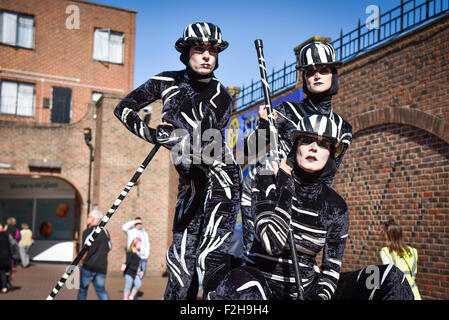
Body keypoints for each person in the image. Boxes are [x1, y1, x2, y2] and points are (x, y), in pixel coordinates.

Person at [114, 22, 241, 299]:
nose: (207, 56)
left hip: (220, 185)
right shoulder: (166, 82)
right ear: (187, 52)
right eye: (199, 49)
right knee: (180, 266)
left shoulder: (222, 97)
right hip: (189, 188)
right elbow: (123, 108)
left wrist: (176, 138)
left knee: (211, 260)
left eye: (213, 50)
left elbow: (207, 145)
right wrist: (151, 135)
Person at [210, 114, 349, 300]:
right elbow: (271, 244)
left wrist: (318, 298)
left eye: (323, 144)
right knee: (242, 285)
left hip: (303, 291)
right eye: (306, 140)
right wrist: (286, 187)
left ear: (330, 154)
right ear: (295, 147)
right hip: (257, 286)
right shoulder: (267, 179)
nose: (314, 147)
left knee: (387, 278)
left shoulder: (336, 206)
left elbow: (331, 270)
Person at [240, 41, 353, 257]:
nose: (317, 76)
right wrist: (264, 125)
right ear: (304, 78)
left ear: (333, 74)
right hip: (268, 192)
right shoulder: (286, 111)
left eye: (323, 70)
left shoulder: (343, 128)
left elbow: (328, 174)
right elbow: (250, 149)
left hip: (306, 196)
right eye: (310, 72)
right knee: (259, 258)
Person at [379, 218, 422, 300]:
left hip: (399, 294)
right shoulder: (413, 251)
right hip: (415, 294)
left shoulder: (385, 252)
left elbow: (389, 277)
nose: (383, 236)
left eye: (384, 234)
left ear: (389, 236)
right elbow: (413, 276)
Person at [77, 210, 111, 300]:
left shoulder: (88, 232)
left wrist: (81, 262)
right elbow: (109, 247)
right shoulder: (105, 232)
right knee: (101, 291)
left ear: (93, 219)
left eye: (89, 217)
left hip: (88, 266)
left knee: (83, 290)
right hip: (101, 267)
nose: (87, 219)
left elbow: (84, 251)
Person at [1, 217, 20, 284]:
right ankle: (10, 280)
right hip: (13, 249)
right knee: (12, 265)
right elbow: (18, 238)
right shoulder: (16, 230)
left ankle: (4, 281)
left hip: (5, 248)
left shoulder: (4, 228)